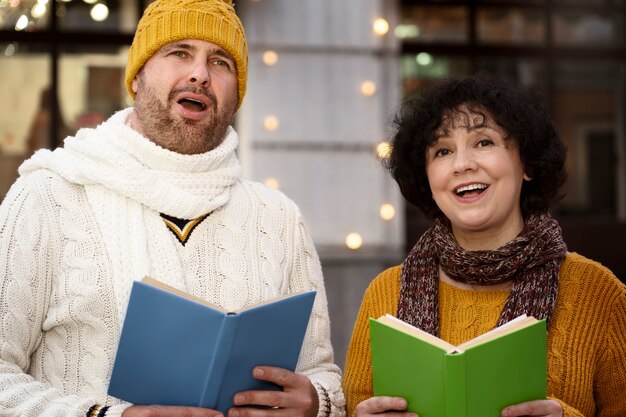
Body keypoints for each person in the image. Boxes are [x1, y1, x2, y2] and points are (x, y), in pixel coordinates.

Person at [0, 1, 345, 416]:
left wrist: (317, 403)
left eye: (220, 62)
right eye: (179, 52)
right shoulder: (47, 194)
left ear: (236, 95)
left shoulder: (279, 218)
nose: (200, 73)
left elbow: (319, 373)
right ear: (138, 76)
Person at [342, 76, 626, 417]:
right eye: (443, 151)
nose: (462, 164)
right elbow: (354, 406)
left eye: (484, 142)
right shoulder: (384, 294)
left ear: (528, 165)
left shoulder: (599, 294)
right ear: (428, 177)